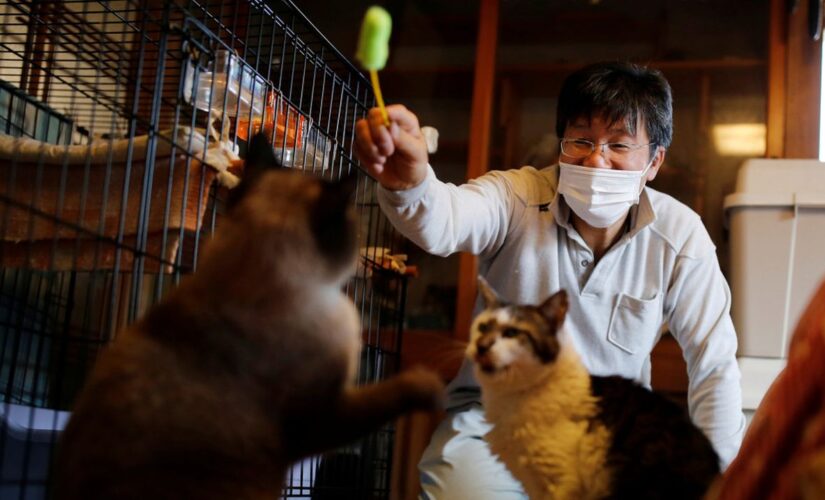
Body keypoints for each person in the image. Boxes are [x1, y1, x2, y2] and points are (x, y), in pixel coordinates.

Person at [354, 61, 745, 499]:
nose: (596, 158)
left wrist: (721, 482)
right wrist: (411, 183)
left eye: (618, 144)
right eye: (581, 140)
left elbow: (714, 366)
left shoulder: (680, 236)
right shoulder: (516, 197)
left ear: (654, 161)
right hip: (495, 419)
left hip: (608, 432)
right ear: (561, 143)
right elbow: (445, 219)